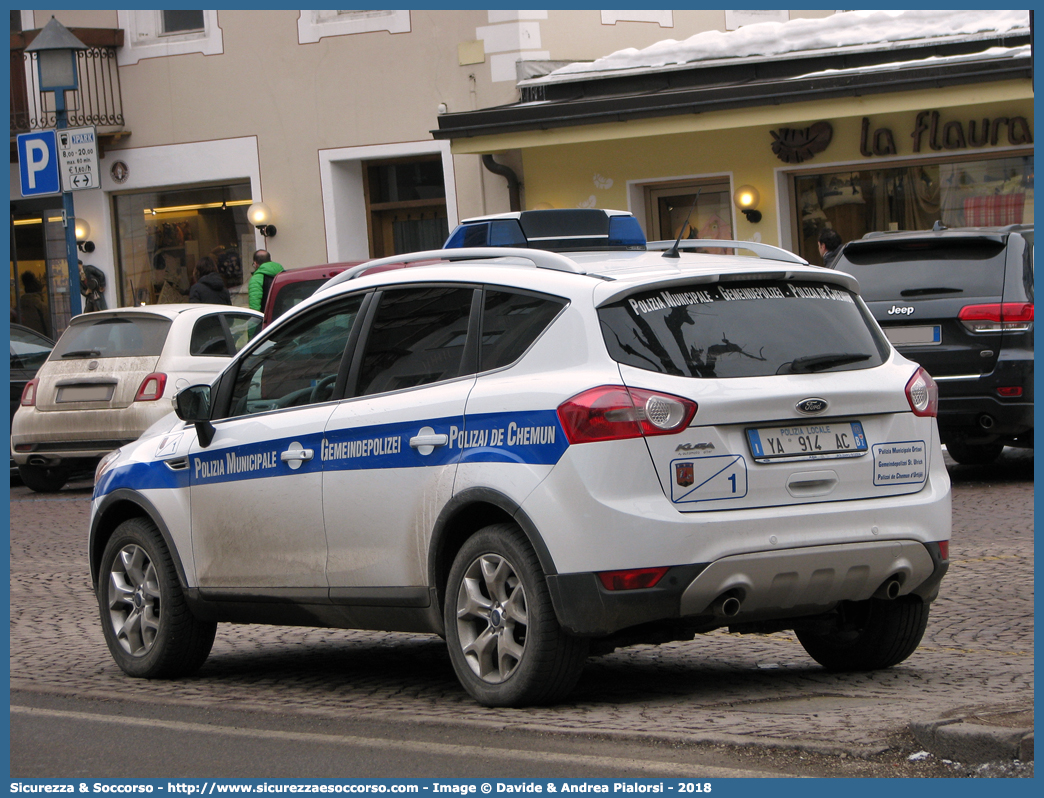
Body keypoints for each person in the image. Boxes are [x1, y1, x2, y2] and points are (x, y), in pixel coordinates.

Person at [18, 272, 51, 337]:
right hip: (40, 343)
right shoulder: (42, 308)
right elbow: (49, 330)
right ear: (39, 291)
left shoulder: (17, 308)